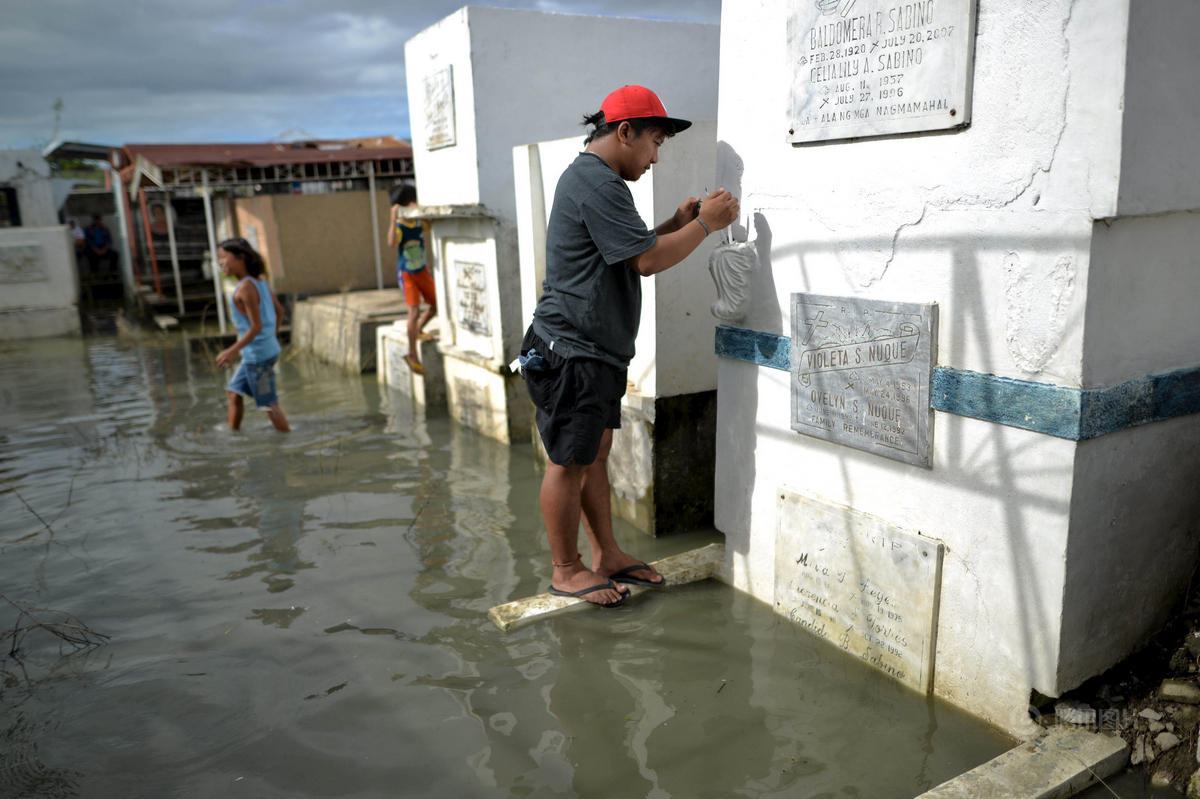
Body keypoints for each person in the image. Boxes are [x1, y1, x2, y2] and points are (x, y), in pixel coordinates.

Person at [520, 85, 739, 607]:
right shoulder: (600, 185)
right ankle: (567, 569)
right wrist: (708, 224)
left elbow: (628, 250)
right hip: (572, 351)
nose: (656, 156)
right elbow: (646, 262)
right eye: (654, 142)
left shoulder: (593, 179)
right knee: (568, 463)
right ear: (625, 132)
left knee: (593, 455)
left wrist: (677, 225)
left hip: (589, 350)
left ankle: (607, 554)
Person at [214, 237, 290, 433]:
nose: (220, 263)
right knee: (233, 393)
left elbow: (256, 327)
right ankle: (234, 436)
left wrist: (232, 351)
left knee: (269, 404)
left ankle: (288, 442)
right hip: (260, 353)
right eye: (219, 259)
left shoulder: (246, 288)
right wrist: (270, 338)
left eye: (224, 258)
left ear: (241, 258)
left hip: (258, 358)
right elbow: (279, 311)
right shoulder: (260, 281)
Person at [387, 183, 437, 375]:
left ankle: (417, 330)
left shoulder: (417, 221)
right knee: (413, 311)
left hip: (422, 271)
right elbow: (391, 243)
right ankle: (412, 354)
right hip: (407, 273)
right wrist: (393, 219)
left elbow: (430, 225)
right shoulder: (399, 225)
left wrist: (420, 210)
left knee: (435, 305)